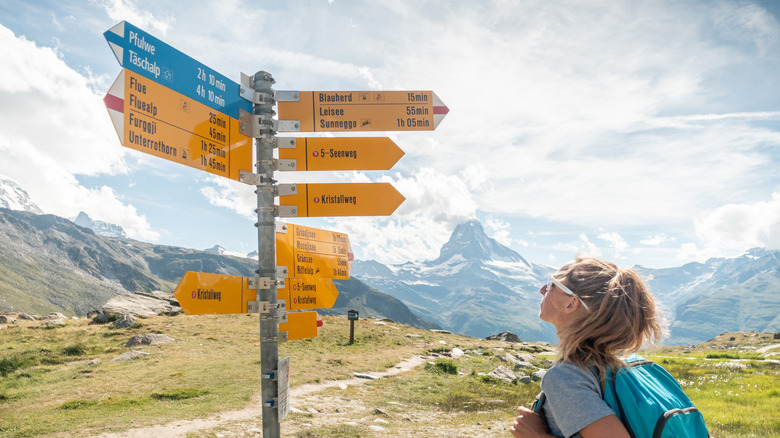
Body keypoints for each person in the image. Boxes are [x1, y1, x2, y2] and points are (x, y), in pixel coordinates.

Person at [510, 256, 663, 438]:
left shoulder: (566, 376)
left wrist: (538, 436)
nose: (542, 289)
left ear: (571, 303)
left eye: (552, 284)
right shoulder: (629, 365)